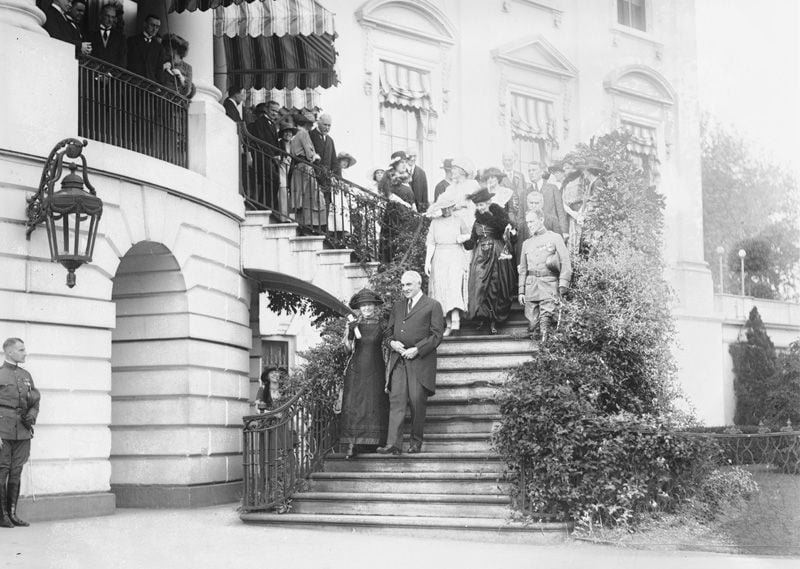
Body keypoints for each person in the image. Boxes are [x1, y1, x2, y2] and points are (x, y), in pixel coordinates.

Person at [379, 271, 445, 455]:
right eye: (402, 285)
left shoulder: (433, 305)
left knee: (417, 401)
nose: (405, 289)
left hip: (420, 361)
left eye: (408, 285)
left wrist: (417, 349)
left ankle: (415, 442)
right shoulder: (398, 306)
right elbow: (388, 333)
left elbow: (436, 335)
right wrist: (392, 343)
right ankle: (393, 444)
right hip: (398, 360)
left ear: (419, 284)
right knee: (397, 400)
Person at [340, 289, 389, 459]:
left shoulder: (383, 324)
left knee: (374, 402)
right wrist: (352, 332)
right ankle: (353, 444)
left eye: (369, 305)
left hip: (376, 369)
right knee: (355, 405)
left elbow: (388, 346)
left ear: (375, 306)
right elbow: (347, 350)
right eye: (363, 305)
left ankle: (375, 442)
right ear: (359, 308)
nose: (366, 308)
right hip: (356, 370)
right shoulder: (353, 324)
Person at [463, 188, 517, 335]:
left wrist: (510, 232)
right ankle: (483, 318)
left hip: (496, 254)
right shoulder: (476, 221)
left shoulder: (499, 218)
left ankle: (494, 320)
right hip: (480, 256)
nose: (480, 208)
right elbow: (472, 241)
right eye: (478, 206)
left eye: (482, 205)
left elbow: (510, 236)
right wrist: (463, 241)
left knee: (495, 286)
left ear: (489, 203)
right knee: (480, 285)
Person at [0, 338, 40, 528]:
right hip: (3, 431)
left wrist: (31, 416)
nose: (25, 353)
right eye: (21, 350)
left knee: (17, 471)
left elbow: (35, 399)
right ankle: (2, 516)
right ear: (9, 352)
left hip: (23, 431)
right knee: (2, 471)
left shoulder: (26, 375)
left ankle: (13, 514)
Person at [518, 210, 572, 343]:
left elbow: (565, 262)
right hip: (531, 287)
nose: (529, 225)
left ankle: (545, 347)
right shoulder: (526, 243)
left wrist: (563, 284)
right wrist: (521, 291)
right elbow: (523, 269)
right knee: (533, 324)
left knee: (546, 322)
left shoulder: (555, 238)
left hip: (549, 284)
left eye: (532, 221)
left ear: (541, 220)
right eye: (527, 222)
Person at [424, 198, 471, 337]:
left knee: (454, 286)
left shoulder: (458, 220)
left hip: (455, 254)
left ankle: (456, 320)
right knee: (441, 288)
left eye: (449, 207)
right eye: (444, 208)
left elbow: (469, 235)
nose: (447, 211)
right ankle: (448, 323)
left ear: (453, 207)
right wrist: (427, 261)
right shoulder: (435, 222)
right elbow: (431, 243)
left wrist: (463, 238)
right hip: (439, 256)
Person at [289, 113, 325, 231]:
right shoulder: (304, 133)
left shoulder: (295, 136)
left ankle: (302, 224)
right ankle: (310, 225)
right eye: (310, 124)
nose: (311, 127)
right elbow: (309, 153)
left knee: (300, 196)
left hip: (297, 167)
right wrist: (316, 157)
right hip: (305, 166)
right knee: (311, 196)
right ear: (306, 124)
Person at [248, 101, 282, 213]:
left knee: (270, 182)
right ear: (266, 109)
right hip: (262, 156)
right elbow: (262, 141)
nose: (274, 113)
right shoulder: (260, 122)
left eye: (276, 111)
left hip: (270, 157)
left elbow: (275, 143)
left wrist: (278, 155)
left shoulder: (272, 124)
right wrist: (273, 156)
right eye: (272, 110)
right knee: (273, 180)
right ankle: (265, 206)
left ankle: (264, 205)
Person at [309, 113, 341, 209]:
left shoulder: (330, 140)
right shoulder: (310, 135)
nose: (327, 128)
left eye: (329, 125)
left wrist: (337, 178)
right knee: (314, 205)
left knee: (325, 205)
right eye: (325, 125)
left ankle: (324, 224)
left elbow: (334, 160)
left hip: (326, 180)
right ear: (318, 123)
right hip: (314, 177)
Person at [328, 152, 357, 240]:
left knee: (343, 209)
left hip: (342, 192)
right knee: (337, 208)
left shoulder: (344, 172)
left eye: (347, 162)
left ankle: (343, 229)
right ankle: (335, 229)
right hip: (336, 191)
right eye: (343, 161)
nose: (345, 163)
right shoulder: (335, 169)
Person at [127, 14, 164, 81]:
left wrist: (159, 86)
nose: (155, 29)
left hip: (150, 85)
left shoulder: (159, 47)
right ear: (145, 24)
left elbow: (159, 69)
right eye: (152, 25)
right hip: (132, 82)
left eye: (157, 27)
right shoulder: (131, 41)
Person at [89, 4, 126, 68]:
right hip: (93, 73)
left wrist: (111, 74)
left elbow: (122, 61)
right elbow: (87, 56)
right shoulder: (90, 34)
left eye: (112, 17)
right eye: (107, 16)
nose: (110, 20)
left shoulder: (121, 38)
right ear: (101, 16)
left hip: (112, 76)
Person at [541, 162, 569, 239]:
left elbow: (562, 206)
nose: (555, 175)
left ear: (563, 173)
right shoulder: (557, 185)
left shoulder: (565, 185)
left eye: (557, 173)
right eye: (554, 173)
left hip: (566, 216)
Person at [160, 34, 194, 98]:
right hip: (161, 101)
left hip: (176, 103)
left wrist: (181, 78)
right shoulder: (162, 63)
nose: (165, 51)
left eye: (168, 48)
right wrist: (161, 68)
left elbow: (187, 91)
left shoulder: (187, 68)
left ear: (176, 50)